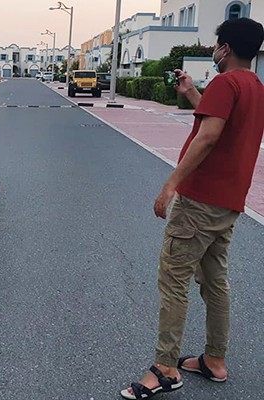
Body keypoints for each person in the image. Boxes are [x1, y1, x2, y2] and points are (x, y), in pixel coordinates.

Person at [121, 18, 264, 400]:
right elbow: (221, 124)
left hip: (199, 201)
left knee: (174, 280)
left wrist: (170, 186)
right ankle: (215, 360)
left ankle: (166, 368)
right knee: (215, 281)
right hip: (228, 204)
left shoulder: (226, 82)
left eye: (217, 45)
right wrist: (190, 93)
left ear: (226, 48)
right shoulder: (253, 86)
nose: (214, 51)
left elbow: (209, 136)